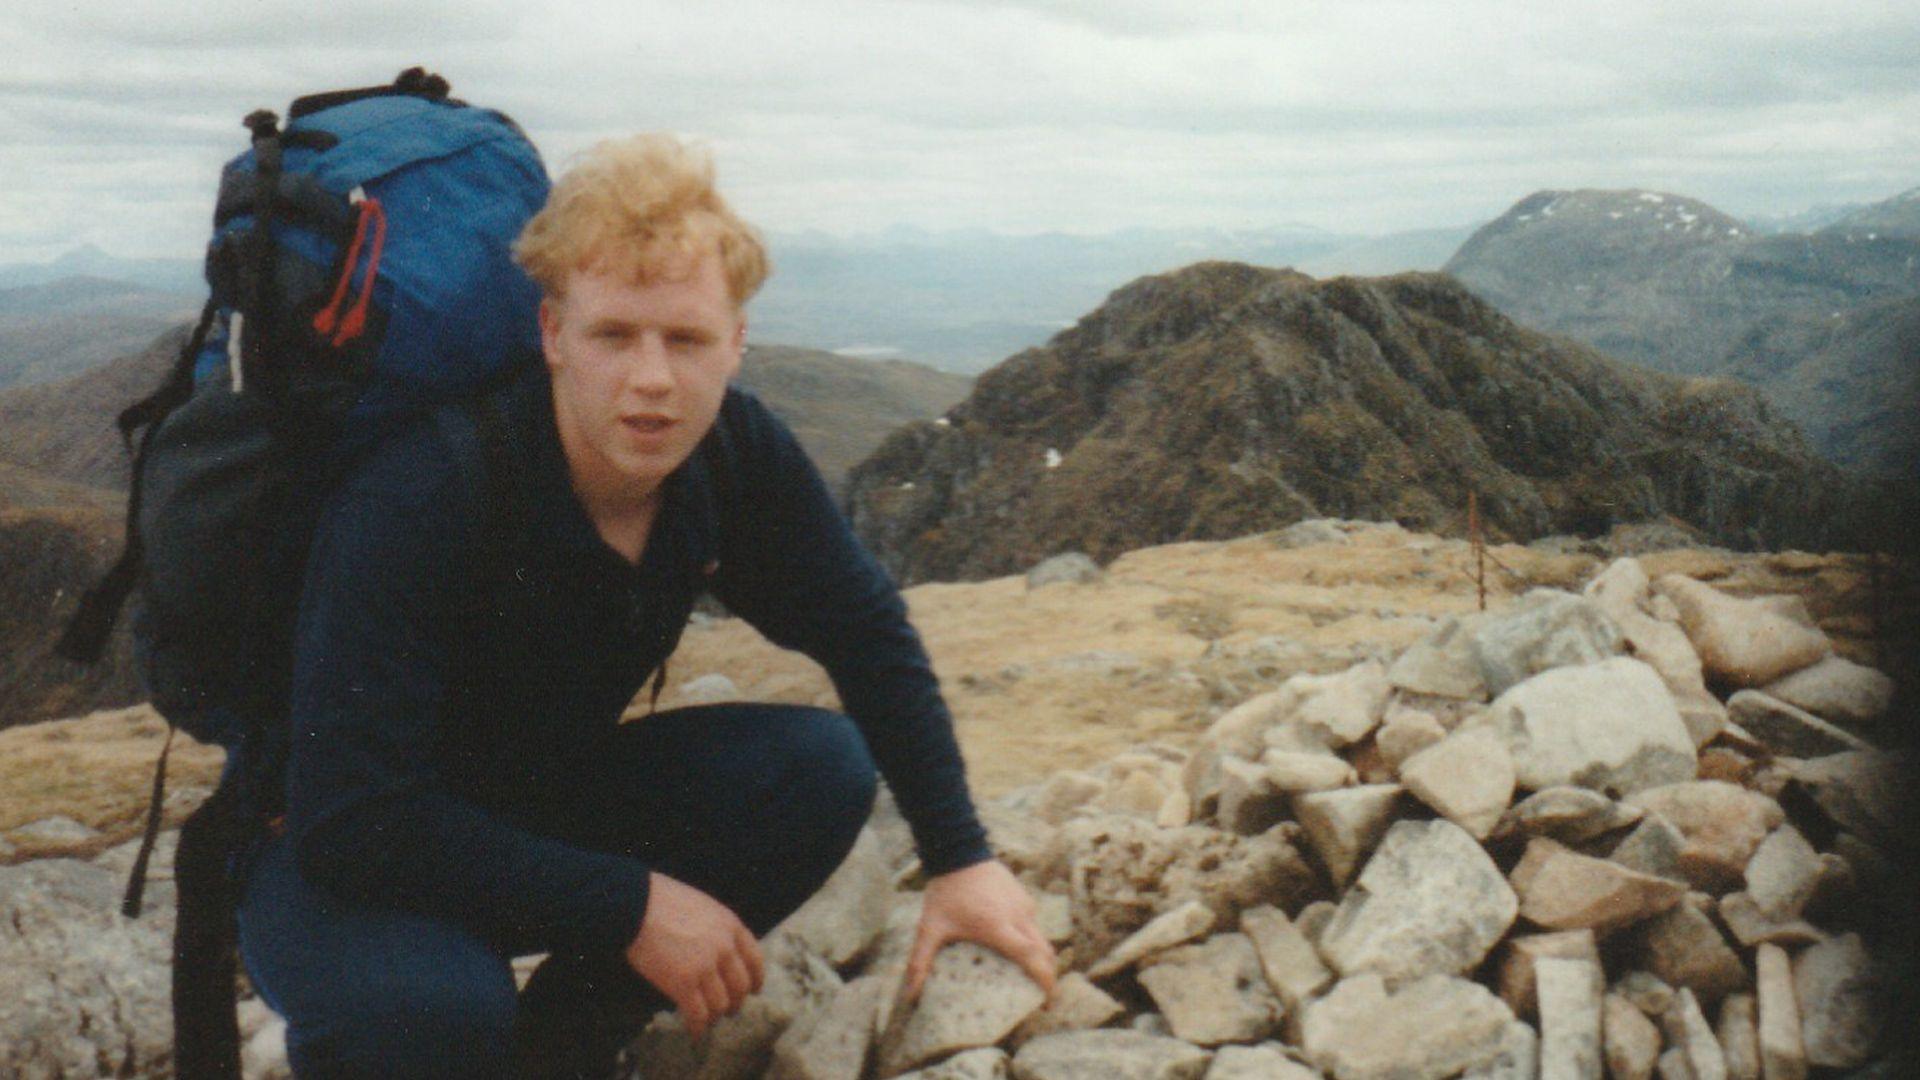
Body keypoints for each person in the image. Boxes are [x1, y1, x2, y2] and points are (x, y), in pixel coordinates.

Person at [232, 134, 1055, 1080]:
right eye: (613, 335)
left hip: (528, 804)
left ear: (737, 343)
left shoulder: (731, 455)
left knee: (821, 769)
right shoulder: (430, 489)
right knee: (435, 1014)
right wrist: (629, 905)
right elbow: (350, 820)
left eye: (688, 339)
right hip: (337, 853)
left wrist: (961, 860)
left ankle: (562, 1057)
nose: (653, 379)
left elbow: (865, 633)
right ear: (552, 335)